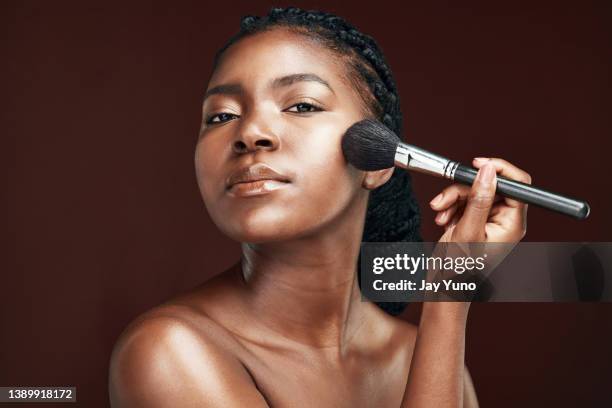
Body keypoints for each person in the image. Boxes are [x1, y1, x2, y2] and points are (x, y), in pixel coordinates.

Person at [109, 7, 530, 407]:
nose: (250, 133)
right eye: (221, 116)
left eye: (302, 106)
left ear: (379, 161)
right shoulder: (170, 352)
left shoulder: (415, 356)